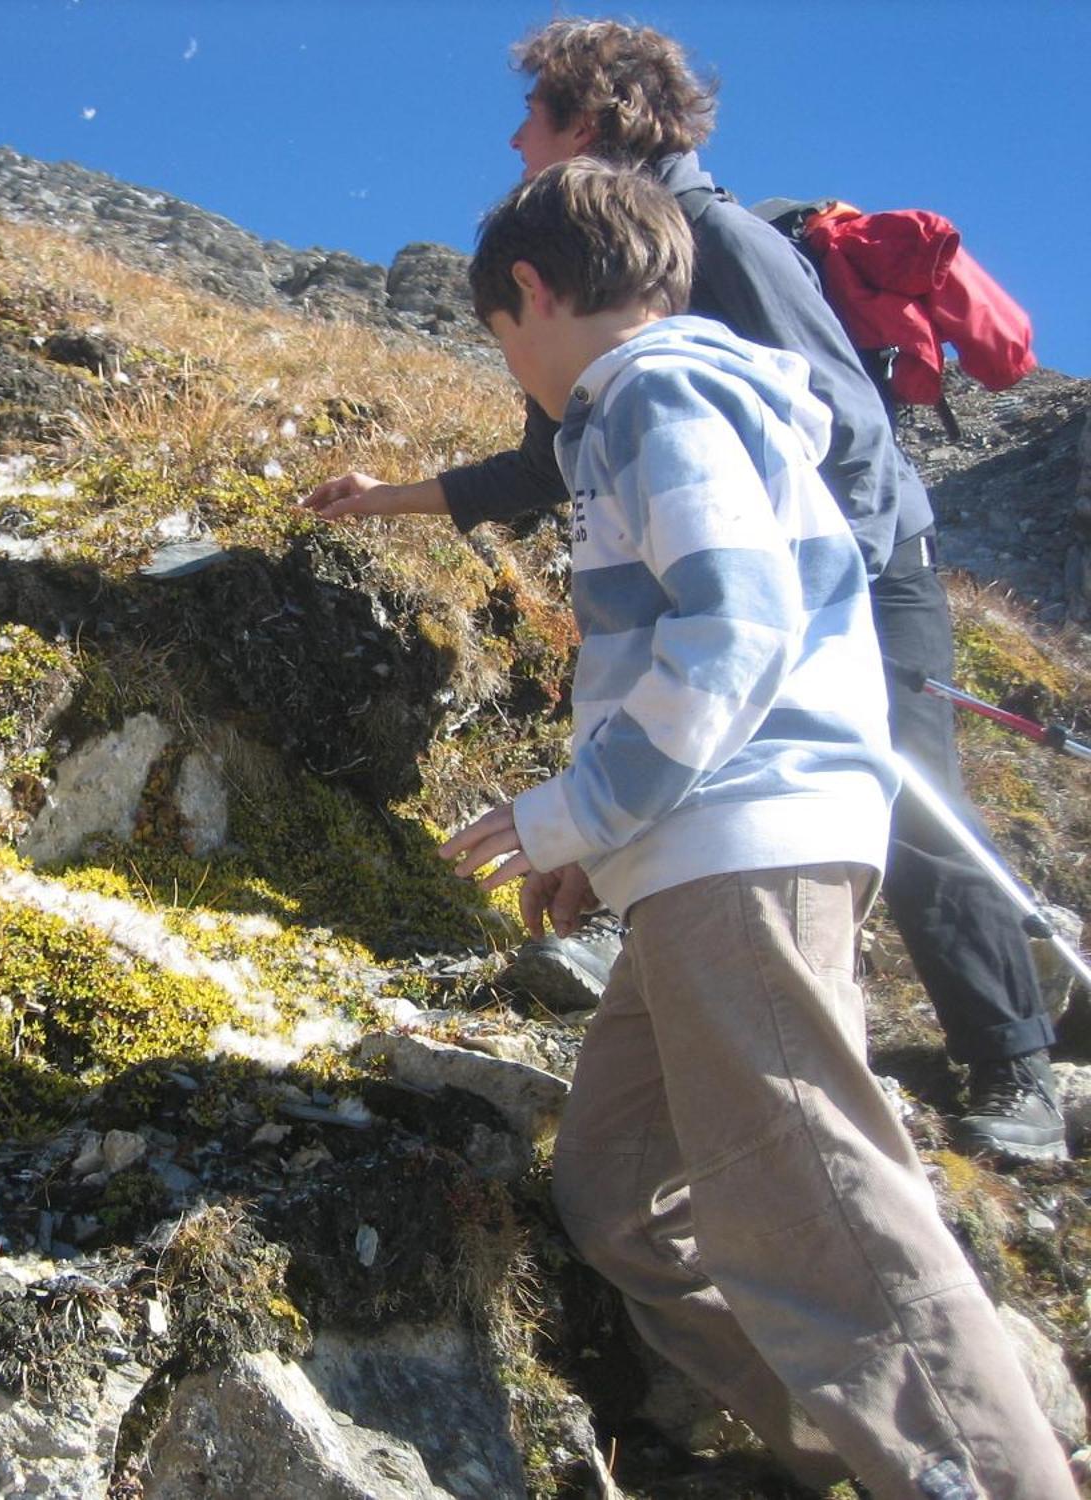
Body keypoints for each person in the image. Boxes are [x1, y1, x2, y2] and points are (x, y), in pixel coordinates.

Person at [302, 18, 1065, 1161]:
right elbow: (544, 460)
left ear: (591, 122)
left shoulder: (716, 239)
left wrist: (822, 604)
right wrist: (392, 499)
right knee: (658, 693)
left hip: (852, 574)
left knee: (910, 795)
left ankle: (1013, 1069)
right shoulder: (592, 273)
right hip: (752, 573)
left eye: (534, 116)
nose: (514, 138)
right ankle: (649, 937)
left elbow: (848, 429)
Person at [439, 156, 1074, 1499]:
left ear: (534, 293)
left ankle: (981, 1473)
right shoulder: (684, 399)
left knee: (826, 1214)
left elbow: (735, 627)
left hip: (752, 844)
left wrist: (577, 812)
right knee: (617, 1187)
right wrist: (603, 847)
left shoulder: (653, 396)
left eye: (503, 338)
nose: (518, 375)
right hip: (711, 850)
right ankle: (855, 1455)